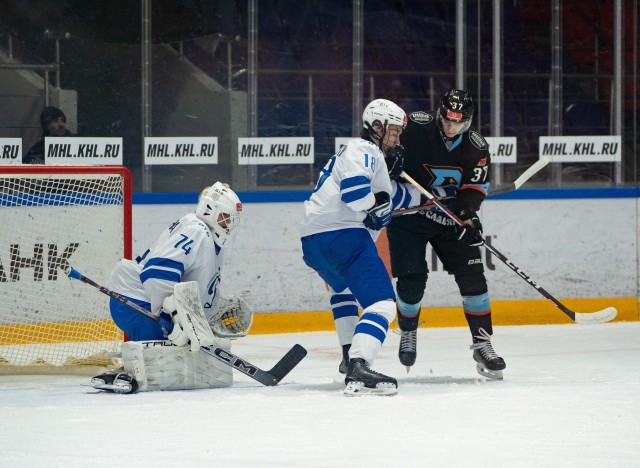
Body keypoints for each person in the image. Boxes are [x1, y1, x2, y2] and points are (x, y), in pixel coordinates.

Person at [386, 89, 507, 380]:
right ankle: (408, 331)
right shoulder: (415, 126)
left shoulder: (476, 147)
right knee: (412, 280)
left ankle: (482, 343)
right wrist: (391, 160)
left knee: (474, 278)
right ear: (440, 114)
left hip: (450, 219)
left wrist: (469, 215)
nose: (452, 126)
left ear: (468, 120)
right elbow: (383, 145)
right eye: (448, 119)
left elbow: (474, 188)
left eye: (459, 121)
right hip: (411, 216)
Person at [300, 98, 416, 396]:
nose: (397, 138)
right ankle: (360, 364)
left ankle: (348, 355)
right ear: (375, 126)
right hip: (343, 236)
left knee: (343, 292)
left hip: (314, 242)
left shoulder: (360, 155)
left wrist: (440, 198)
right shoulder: (364, 149)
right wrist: (376, 206)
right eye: (393, 131)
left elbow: (391, 200)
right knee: (383, 304)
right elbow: (356, 194)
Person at [91, 182, 253, 393]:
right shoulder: (197, 230)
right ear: (209, 210)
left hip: (149, 302)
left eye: (231, 219)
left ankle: (136, 365)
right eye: (225, 217)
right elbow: (156, 273)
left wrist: (214, 305)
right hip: (136, 302)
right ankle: (130, 370)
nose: (229, 224)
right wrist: (179, 316)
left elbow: (194, 288)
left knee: (189, 356)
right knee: (169, 363)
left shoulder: (209, 237)